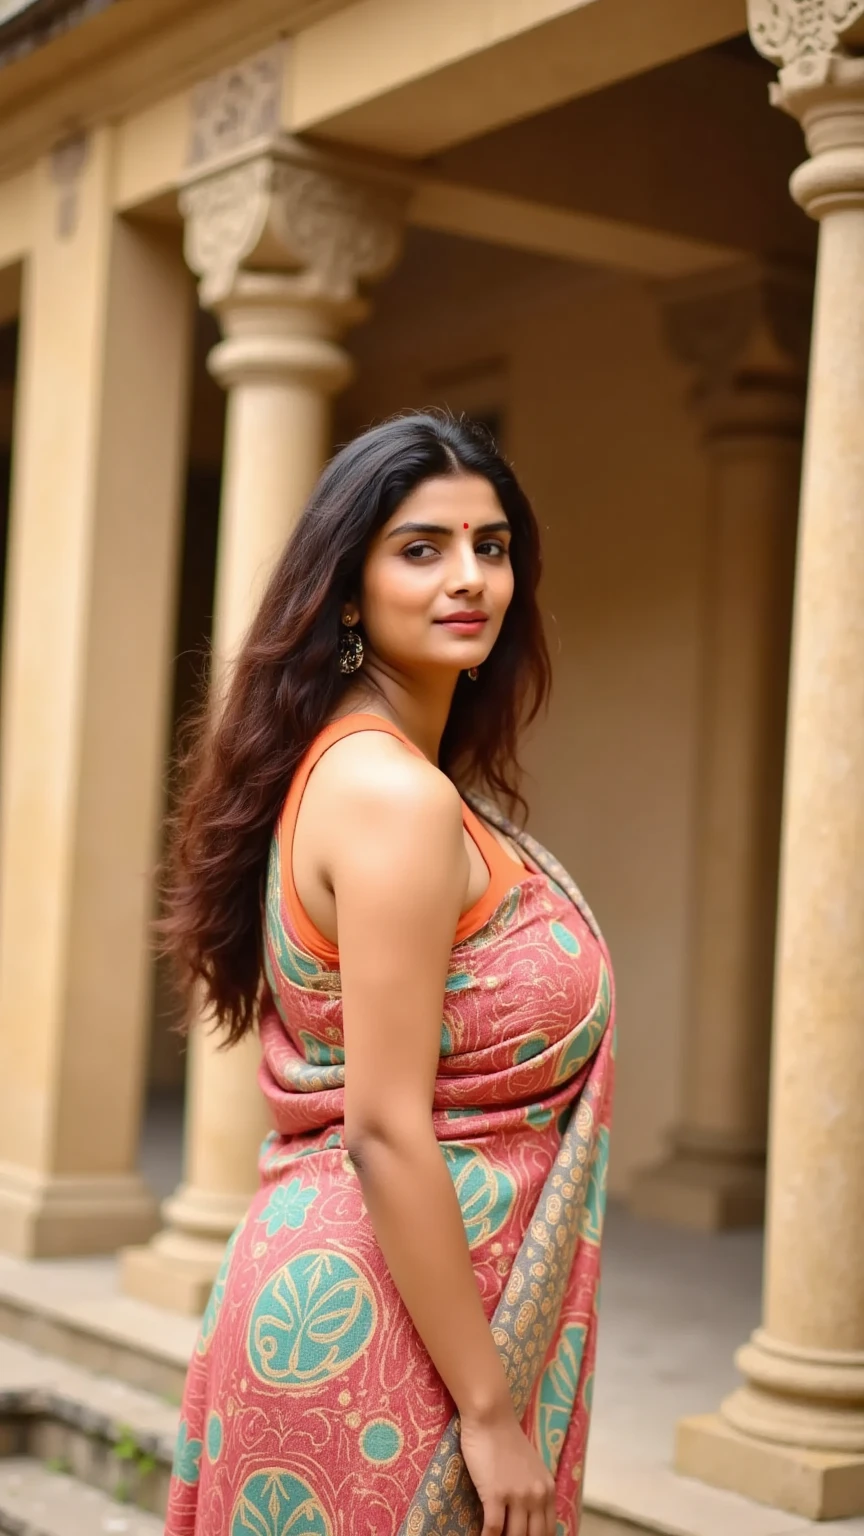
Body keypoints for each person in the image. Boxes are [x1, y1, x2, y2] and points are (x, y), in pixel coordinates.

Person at [162, 411, 615, 1536]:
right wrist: (491, 1407)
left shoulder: (373, 771)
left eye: (492, 546)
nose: (469, 578)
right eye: (422, 548)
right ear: (349, 590)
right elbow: (385, 1127)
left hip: (377, 1311)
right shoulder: (390, 796)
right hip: (387, 1350)